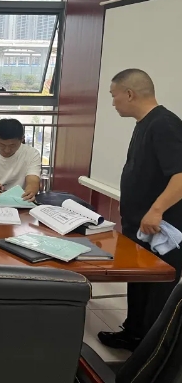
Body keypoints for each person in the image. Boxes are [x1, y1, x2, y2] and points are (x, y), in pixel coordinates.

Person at [98, 68, 182, 351]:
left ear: (130, 94)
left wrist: (156, 210)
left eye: (114, 95)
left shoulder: (164, 124)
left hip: (161, 228)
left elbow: (180, 175)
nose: (113, 102)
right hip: (140, 226)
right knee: (139, 282)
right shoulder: (144, 123)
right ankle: (134, 333)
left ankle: (152, 351)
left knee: (157, 291)